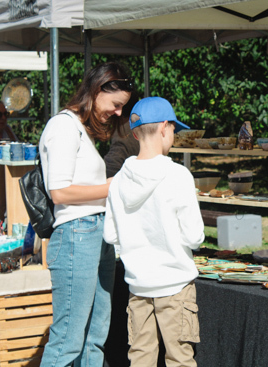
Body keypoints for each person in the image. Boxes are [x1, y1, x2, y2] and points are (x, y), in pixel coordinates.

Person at [38, 62, 133, 367]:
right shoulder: (63, 126)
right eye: (116, 105)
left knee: (95, 336)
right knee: (68, 339)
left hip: (95, 233)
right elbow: (60, 193)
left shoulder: (81, 130)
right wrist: (110, 186)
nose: (118, 113)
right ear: (99, 89)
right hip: (77, 233)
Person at [103, 96, 205, 367]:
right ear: (164, 127)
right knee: (180, 360)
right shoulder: (179, 175)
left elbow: (110, 236)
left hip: (138, 286)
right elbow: (195, 237)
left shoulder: (117, 182)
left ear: (135, 133)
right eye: (174, 128)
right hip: (175, 284)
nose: (173, 134)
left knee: (140, 359)